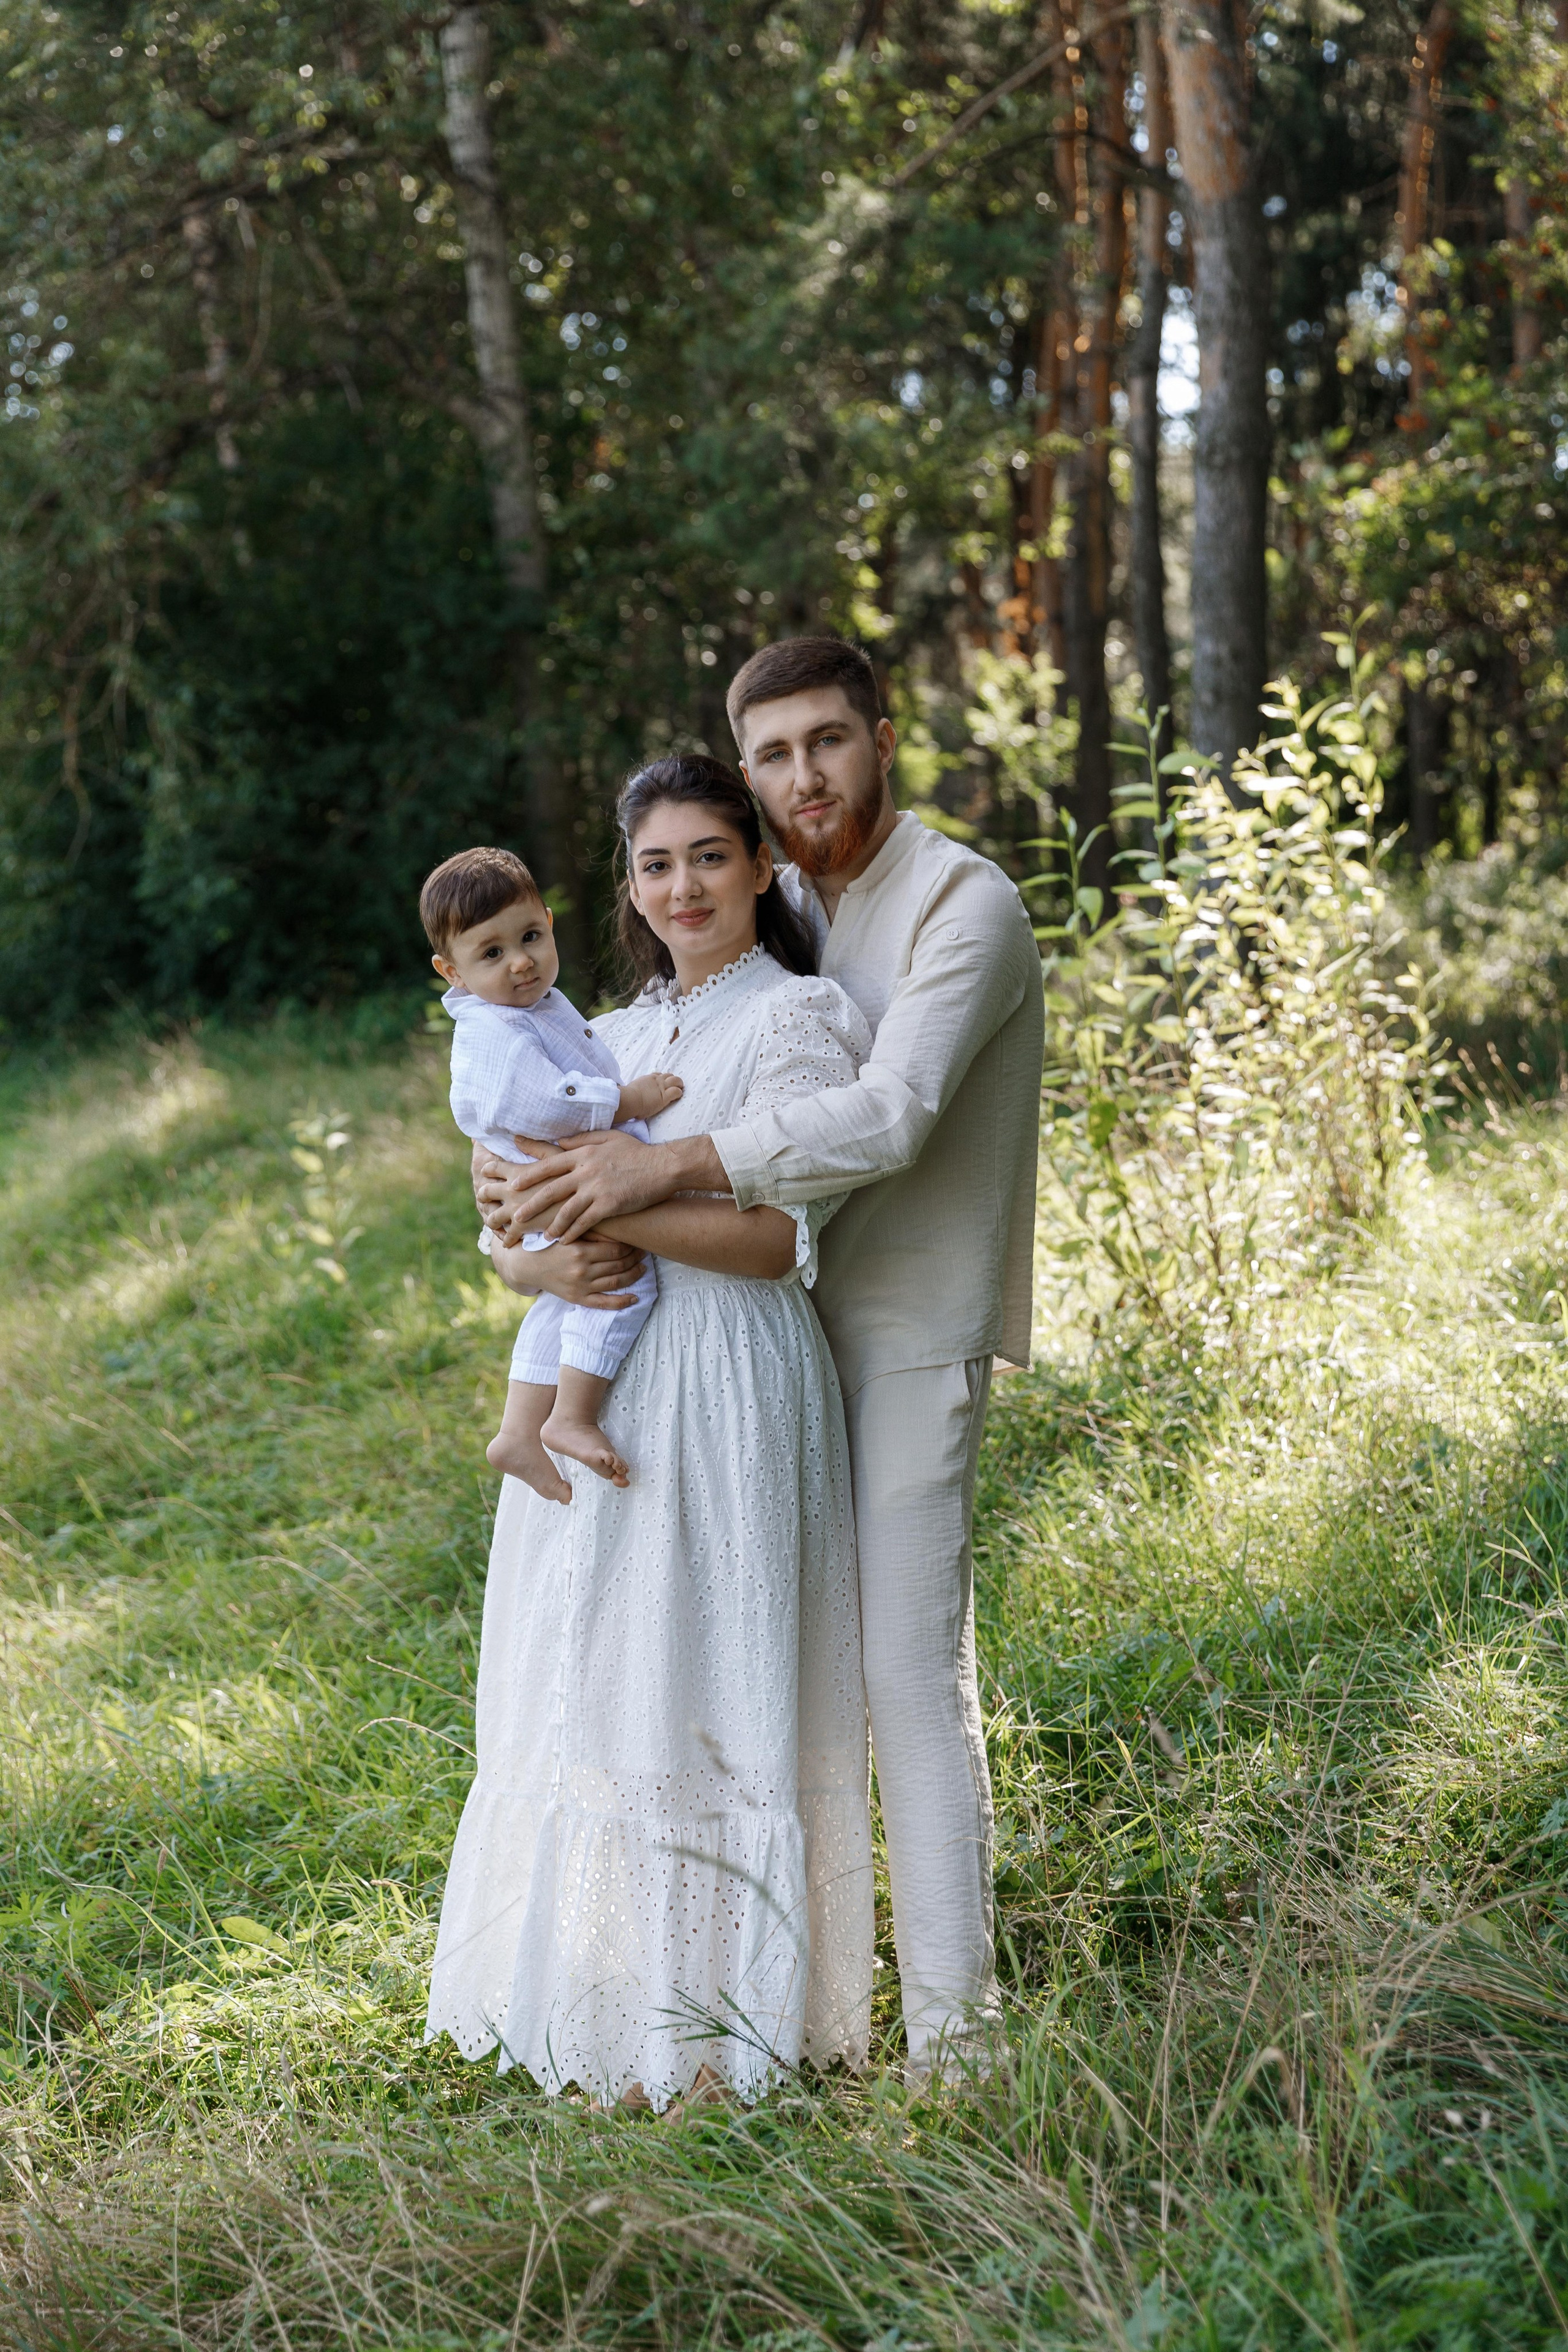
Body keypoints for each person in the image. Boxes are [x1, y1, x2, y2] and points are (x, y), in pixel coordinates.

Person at [480, 636, 1044, 2081]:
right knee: (753, 1661)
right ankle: (722, 1985)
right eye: (775, 753)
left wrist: (642, 1173)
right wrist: (530, 1220)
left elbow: (890, 1113)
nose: (806, 776)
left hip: (902, 1328)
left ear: (881, 739)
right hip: (751, 1350)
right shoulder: (777, 896)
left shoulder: (962, 905)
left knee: (904, 1671)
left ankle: (956, 2038)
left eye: (827, 742)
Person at [425, 755, 876, 2113]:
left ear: (759, 868)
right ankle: (615, 2010)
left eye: (709, 857)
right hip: (600, 1367)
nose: (683, 887)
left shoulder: (798, 1019)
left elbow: (777, 1239)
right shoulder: (591, 1038)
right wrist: (538, 1254)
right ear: (627, 887)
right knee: (609, 1678)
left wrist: (610, 1208)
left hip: (728, 1374)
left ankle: (723, 2036)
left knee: (711, 1677)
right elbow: (508, 1231)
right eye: (656, 864)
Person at [421, 845, 682, 1502]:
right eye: (492, 953)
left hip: (546, 1191)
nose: (521, 961)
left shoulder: (527, 1009)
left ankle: (518, 1430)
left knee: (563, 1301)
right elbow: (546, 1104)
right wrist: (628, 1101)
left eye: (530, 937)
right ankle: (570, 1415)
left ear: (549, 923)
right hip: (557, 1191)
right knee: (622, 1284)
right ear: (451, 972)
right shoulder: (493, 1030)